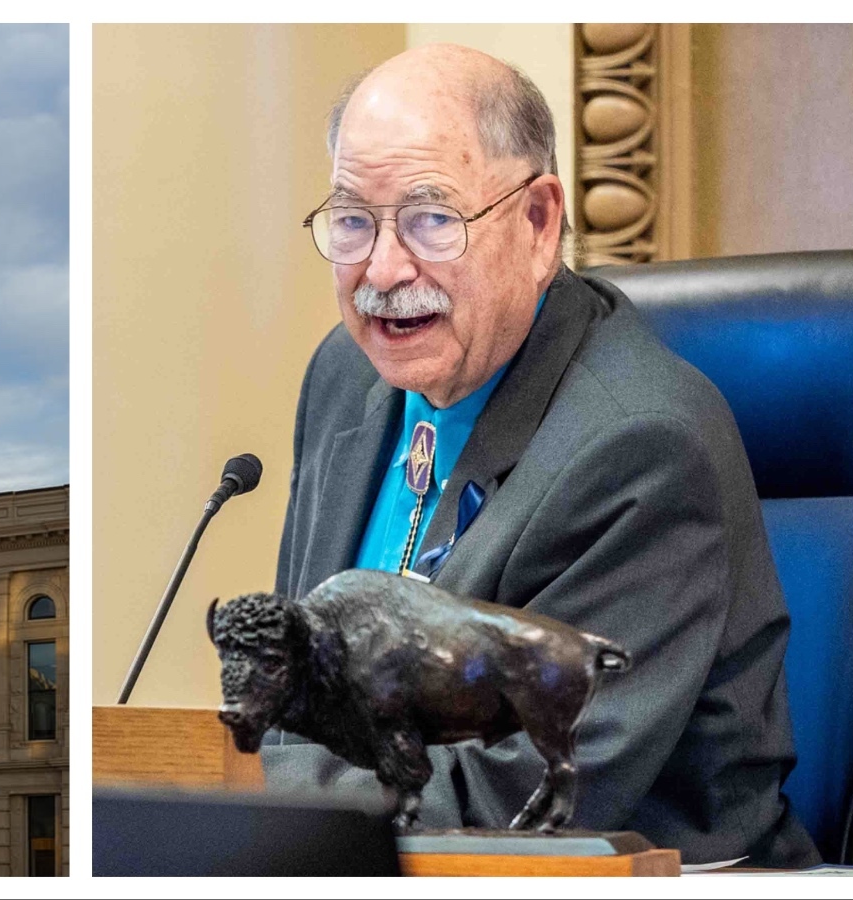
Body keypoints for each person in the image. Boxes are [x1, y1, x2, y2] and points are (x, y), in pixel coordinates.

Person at [265, 43, 820, 868]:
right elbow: (291, 684)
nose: (383, 269)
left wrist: (278, 797)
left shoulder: (643, 446)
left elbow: (518, 797)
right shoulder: (345, 376)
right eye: (352, 220)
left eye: (430, 219)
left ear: (537, 222)